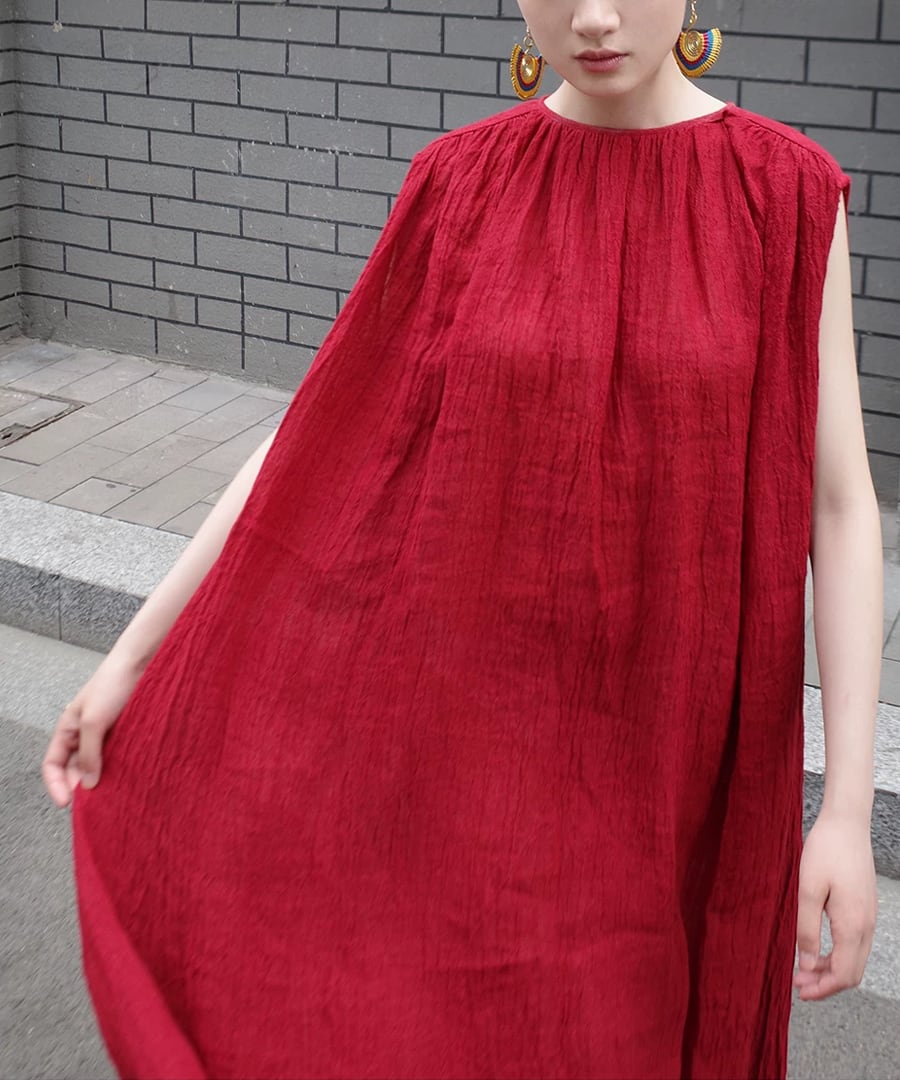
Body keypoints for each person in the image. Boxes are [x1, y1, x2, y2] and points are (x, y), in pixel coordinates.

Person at [43, 2, 882, 1078]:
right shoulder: (462, 182)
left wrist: (845, 808)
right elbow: (312, 441)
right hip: (472, 745)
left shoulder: (787, 193)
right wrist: (131, 659)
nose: (592, 16)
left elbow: (839, 507)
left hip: (673, 760)